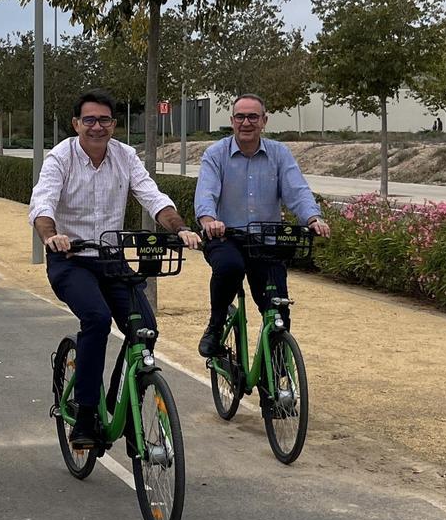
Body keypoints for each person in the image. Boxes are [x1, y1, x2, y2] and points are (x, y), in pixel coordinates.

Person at [28, 89, 200, 449]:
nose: (97, 127)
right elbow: (42, 203)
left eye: (104, 120)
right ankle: (86, 413)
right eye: (88, 120)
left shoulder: (125, 156)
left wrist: (180, 228)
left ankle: (124, 401)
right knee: (97, 318)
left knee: (146, 329)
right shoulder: (60, 157)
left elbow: (152, 196)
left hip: (110, 258)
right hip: (71, 259)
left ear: (114, 124)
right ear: (76, 124)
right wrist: (52, 236)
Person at [193, 94, 330, 357]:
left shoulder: (280, 154)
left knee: (278, 310)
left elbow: (297, 191)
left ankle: (275, 389)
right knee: (229, 267)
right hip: (227, 237)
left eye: (253, 117)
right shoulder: (215, 154)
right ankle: (216, 324)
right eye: (241, 117)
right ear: (232, 121)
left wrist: (313, 218)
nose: (247, 122)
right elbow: (206, 193)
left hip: (267, 241)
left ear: (264, 121)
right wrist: (209, 220)